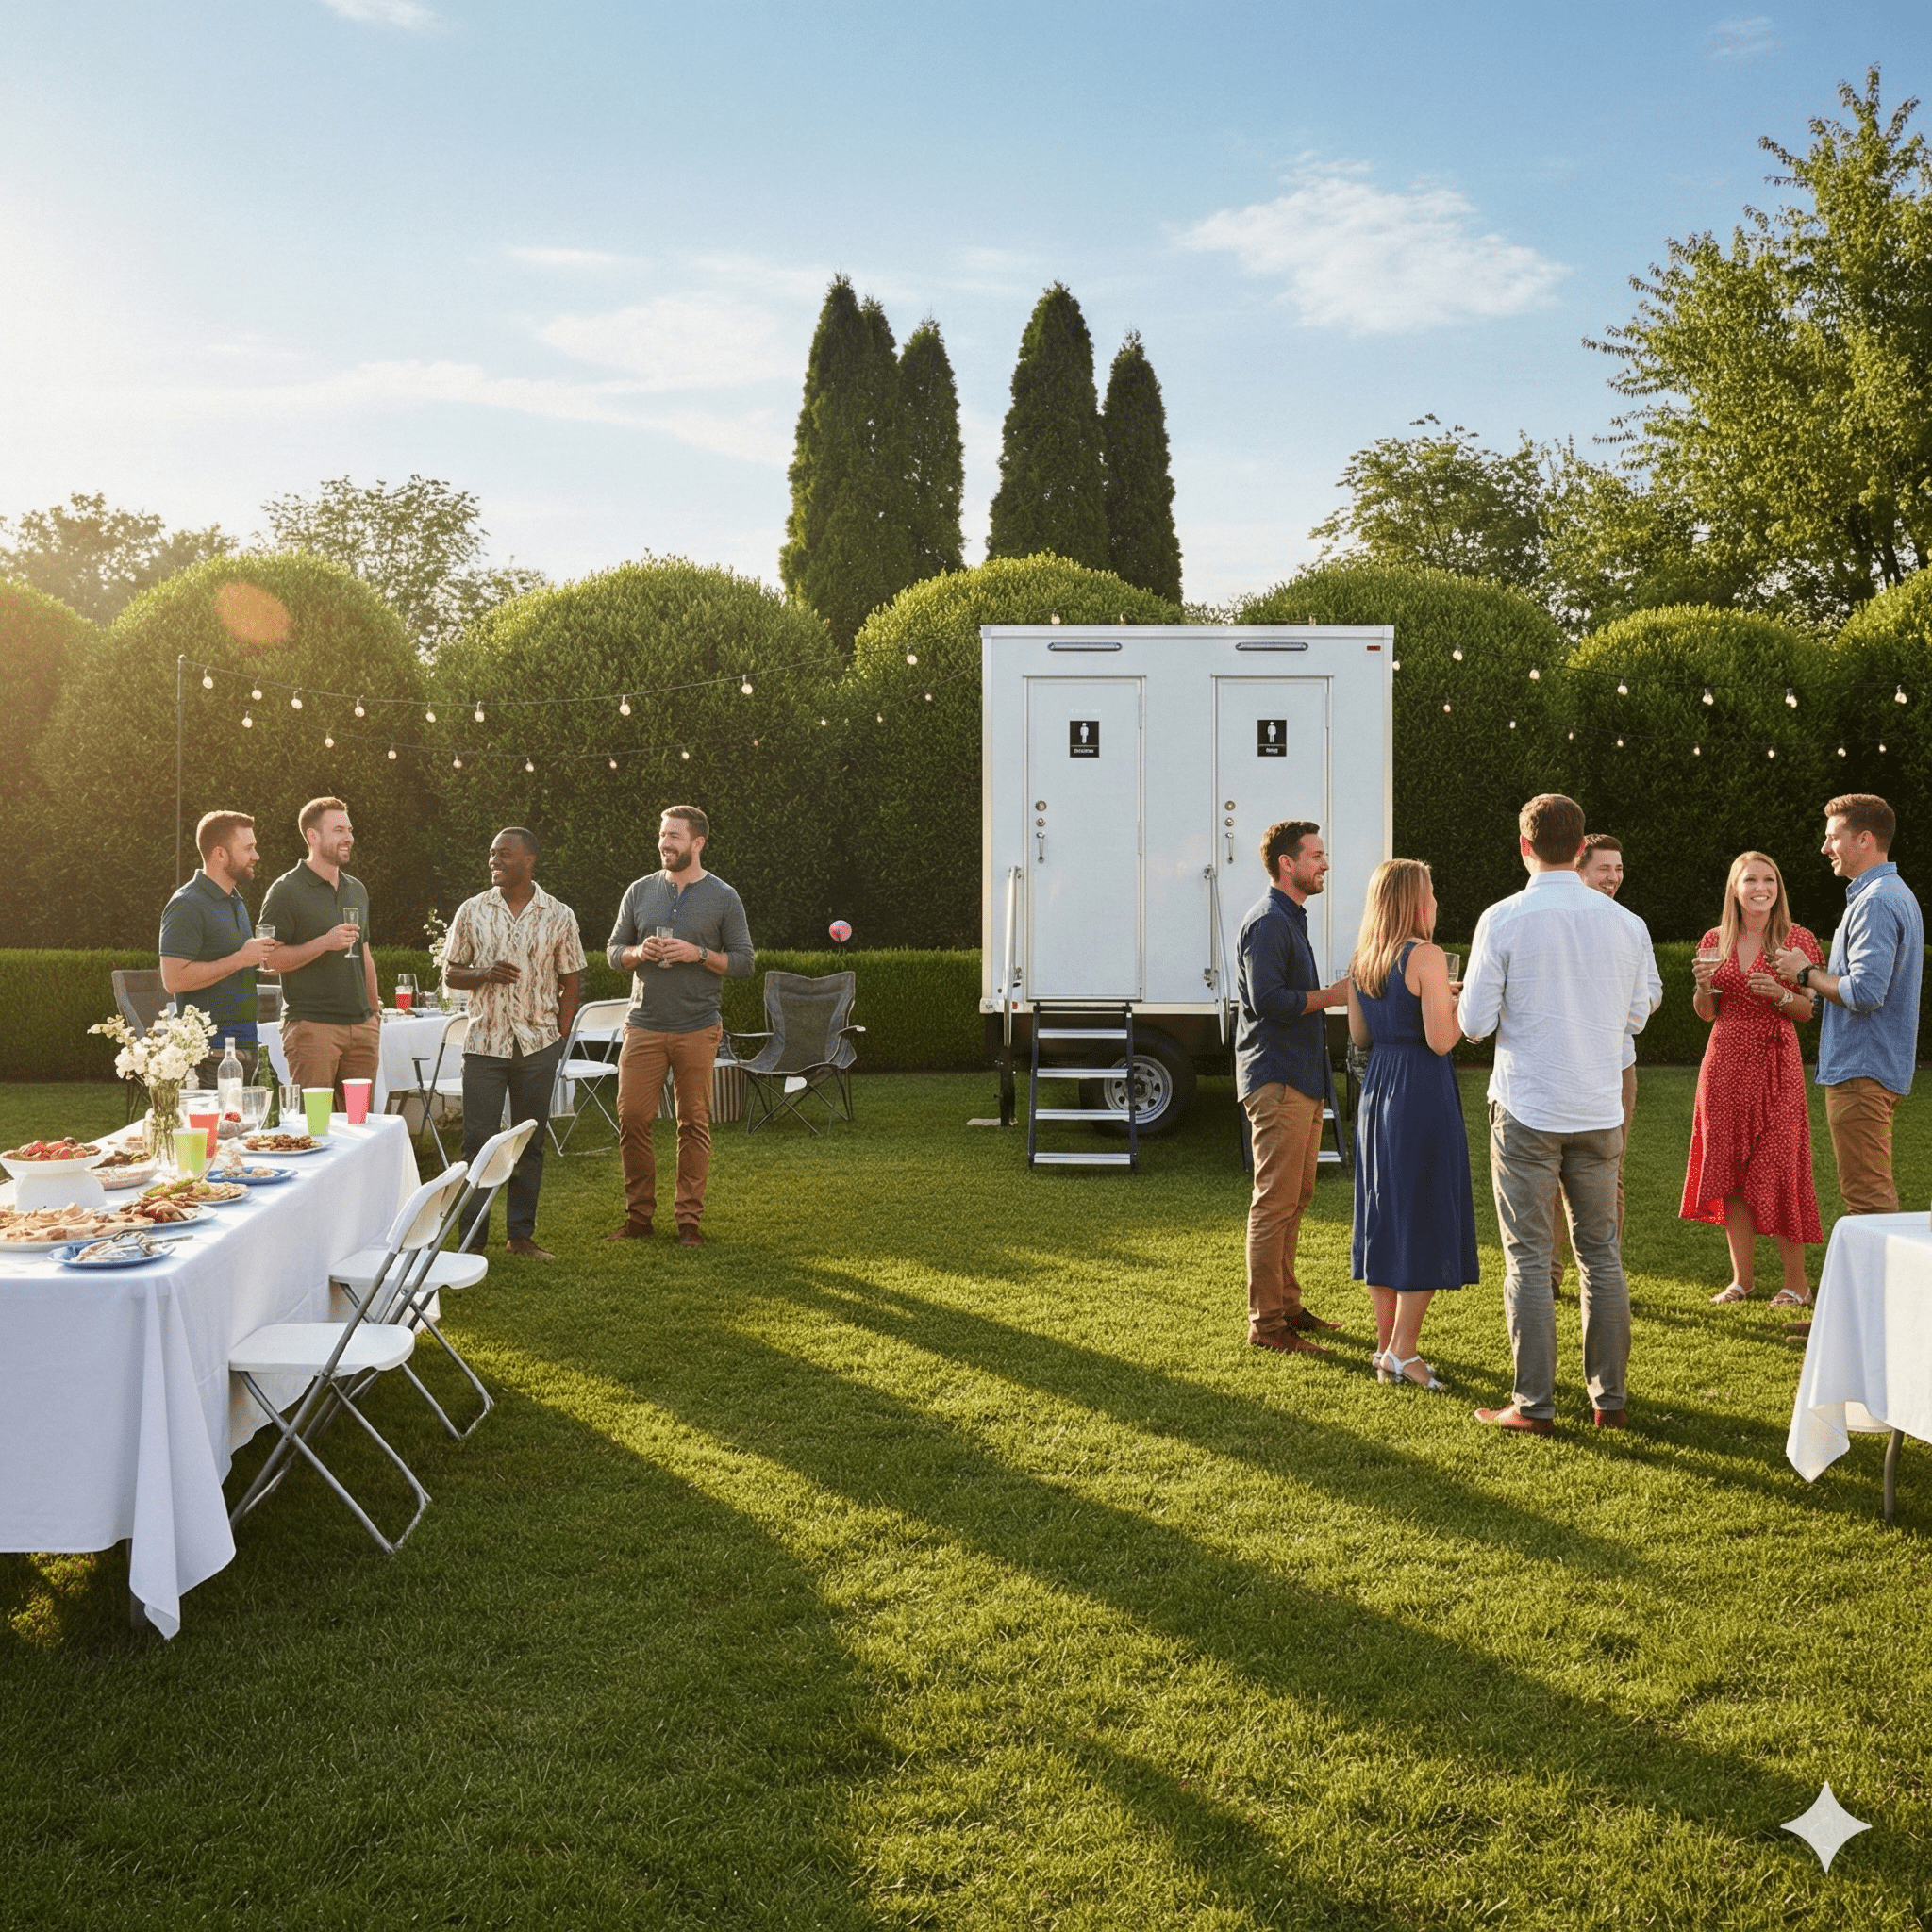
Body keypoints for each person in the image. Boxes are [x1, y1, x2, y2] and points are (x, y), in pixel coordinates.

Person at [1457, 794, 1657, 1434]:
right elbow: (1635, 1015)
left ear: (1523, 846)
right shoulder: (1625, 923)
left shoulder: (1504, 918)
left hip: (1528, 1106)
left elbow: (1476, 1024)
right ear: (1579, 850)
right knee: (1602, 1254)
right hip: (1598, 1106)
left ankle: (1534, 1405)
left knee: (1530, 1257)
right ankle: (1610, 1401)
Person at [1345, 858, 1477, 1390]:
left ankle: (1385, 1348)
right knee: (1423, 1209)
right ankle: (1403, 1352)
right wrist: (1459, 1003)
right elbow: (1442, 1039)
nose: (1437, 901)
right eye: (1431, 891)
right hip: (1422, 1089)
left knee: (1386, 1213)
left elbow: (1359, 1037)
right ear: (1413, 900)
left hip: (1380, 1091)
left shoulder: (1363, 960)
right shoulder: (1424, 955)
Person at [604, 806, 754, 1246]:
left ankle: (689, 1222)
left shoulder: (724, 897)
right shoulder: (639, 891)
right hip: (644, 1025)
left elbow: (744, 963)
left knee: (693, 1122)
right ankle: (638, 1218)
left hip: (697, 1027)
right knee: (632, 1117)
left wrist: (699, 954)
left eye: (674, 837)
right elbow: (613, 951)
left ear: (698, 843)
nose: (664, 844)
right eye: (663, 836)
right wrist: (637, 953)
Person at [1684, 852, 1824, 1307]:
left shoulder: (1796, 940)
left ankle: (1797, 1285)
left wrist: (1782, 994)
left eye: (1769, 880)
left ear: (1778, 888)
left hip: (1775, 1064)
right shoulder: (1715, 939)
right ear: (1735, 888)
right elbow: (1708, 1013)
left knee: (1781, 1168)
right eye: (1751, 880)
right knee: (1731, 1174)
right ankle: (1741, 1280)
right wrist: (1704, 985)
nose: (1761, 887)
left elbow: (1808, 1012)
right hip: (1723, 1065)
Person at [1234, 819, 1352, 1356]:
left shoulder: (1290, 918)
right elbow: (1268, 1000)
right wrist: (1330, 996)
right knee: (1274, 1203)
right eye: (1316, 855)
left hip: (1300, 1079)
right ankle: (1267, 1326)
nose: (1324, 864)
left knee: (1296, 1196)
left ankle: (1286, 1306)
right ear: (1288, 863)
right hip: (1277, 1080)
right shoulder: (1268, 923)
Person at [440, 827, 586, 1260]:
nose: (494, 861)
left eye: (504, 854)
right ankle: (472, 1240)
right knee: (478, 1141)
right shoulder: (472, 911)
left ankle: (520, 1236)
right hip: (484, 1043)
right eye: (491, 854)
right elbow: (451, 974)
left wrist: (559, 1035)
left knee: (530, 1140)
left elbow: (572, 979)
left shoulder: (559, 914)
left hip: (537, 1044)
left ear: (529, 860)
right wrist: (483, 973)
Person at [1551, 834, 1661, 1296]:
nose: (1613, 878)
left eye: (1618, 870)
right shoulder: (1552, 923)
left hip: (1616, 1068)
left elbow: (1650, 994)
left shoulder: (1632, 925)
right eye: (1604, 870)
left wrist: (1615, 1012)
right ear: (1579, 870)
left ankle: (1604, 1277)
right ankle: (1551, 1278)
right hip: (1558, 1065)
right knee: (1551, 1172)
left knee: (1609, 1173)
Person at [258, 796, 379, 1104]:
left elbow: (365, 955)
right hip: (313, 1029)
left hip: (362, 1029)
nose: (349, 837)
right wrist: (324, 943)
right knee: (316, 1128)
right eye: (339, 830)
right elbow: (268, 960)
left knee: (360, 1127)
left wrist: (373, 1015)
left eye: (349, 830)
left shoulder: (357, 889)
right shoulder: (286, 890)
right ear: (313, 836)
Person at [159, 810, 275, 1085]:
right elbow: (173, 979)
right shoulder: (187, 905)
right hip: (212, 1058)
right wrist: (240, 959)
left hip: (247, 1049)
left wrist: (254, 961)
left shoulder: (235, 899)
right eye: (248, 848)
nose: (256, 855)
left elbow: (233, 966)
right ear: (220, 854)